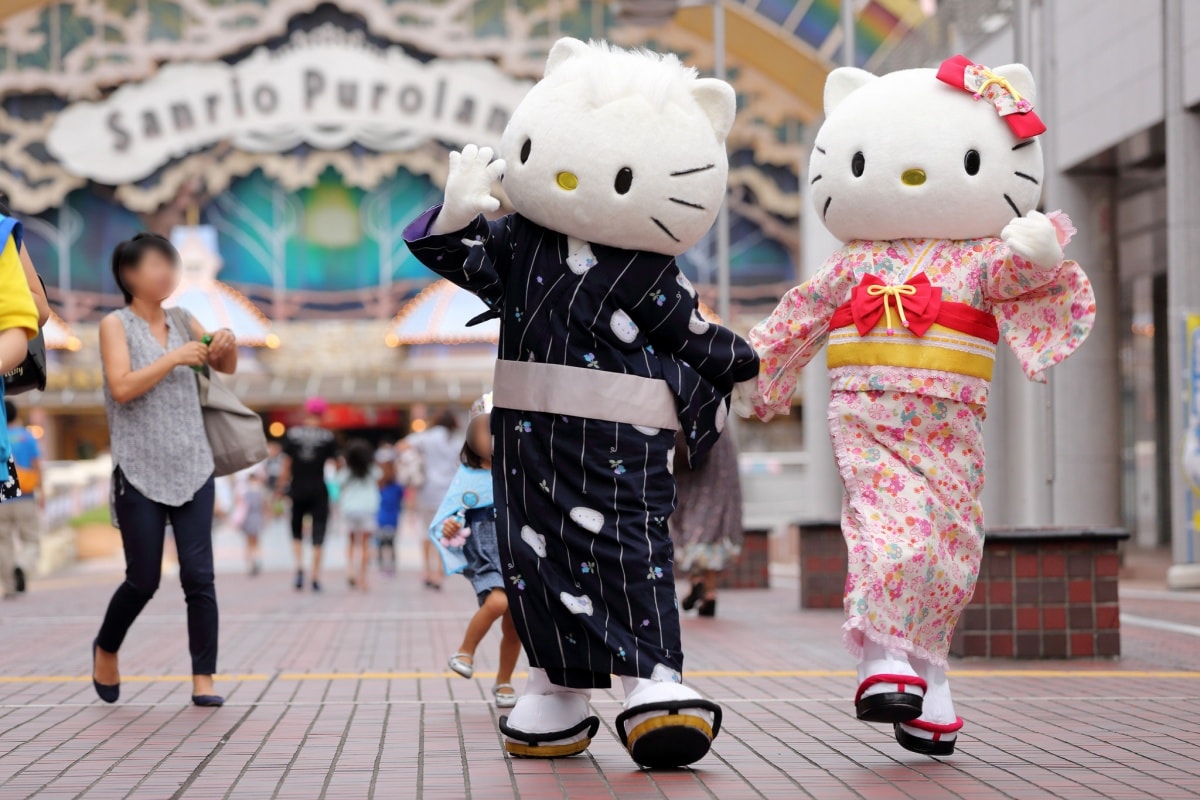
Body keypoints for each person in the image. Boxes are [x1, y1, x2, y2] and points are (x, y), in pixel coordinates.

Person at [92, 232, 238, 707]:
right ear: (128, 274)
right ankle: (106, 647)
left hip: (193, 464)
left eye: (169, 264)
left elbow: (224, 368)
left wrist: (225, 346)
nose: (165, 273)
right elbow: (121, 387)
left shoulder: (184, 318)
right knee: (143, 579)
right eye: (154, 264)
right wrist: (174, 357)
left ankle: (204, 679)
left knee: (200, 576)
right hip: (138, 469)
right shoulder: (115, 325)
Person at [429, 394, 520, 708]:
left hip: (519, 553)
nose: (494, 436)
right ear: (470, 437)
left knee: (516, 624)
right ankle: (465, 651)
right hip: (487, 556)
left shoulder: (518, 475)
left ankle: (504, 681)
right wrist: (451, 527)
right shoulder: (467, 478)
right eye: (486, 429)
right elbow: (451, 516)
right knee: (498, 600)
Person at [671, 427, 744, 618]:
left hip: (694, 466)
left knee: (691, 528)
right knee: (712, 534)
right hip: (720, 474)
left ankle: (696, 582)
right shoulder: (722, 421)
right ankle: (710, 595)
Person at [276, 398, 338, 592]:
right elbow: (335, 465)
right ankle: (316, 575)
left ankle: (299, 568)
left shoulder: (293, 435)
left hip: (297, 489)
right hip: (319, 489)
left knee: (296, 530)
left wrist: (279, 488)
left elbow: (286, 465)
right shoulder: (328, 437)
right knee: (319, 531)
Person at [401, 409, 461, 590]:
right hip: (450, 493)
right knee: (445, 533)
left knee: (426, 531)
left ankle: (427, 570)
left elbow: (402, 445)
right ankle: (440, 572)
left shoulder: (427, 437)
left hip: (427, 491)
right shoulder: (457, 440)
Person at [0, 401, 42, 598]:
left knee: (3, 543)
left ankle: (9, 588)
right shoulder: (27, 437)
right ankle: (22, 565)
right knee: (32, 540)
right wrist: (42, 491)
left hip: (2, 496)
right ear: (17, 414)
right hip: (25, 495)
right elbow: (37, 466)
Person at [337, 439, 380, 591]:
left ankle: (350, 570)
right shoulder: (373, 470)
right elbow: (380, 478)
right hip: (367, 509)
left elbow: (338, 483)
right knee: (365, 545)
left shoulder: (346, 471)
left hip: (349, 509)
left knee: (350, 542)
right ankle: (363, 577)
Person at [234, 466, 267, 576]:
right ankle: (255, 560)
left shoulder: (244, 492)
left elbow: (239, 505)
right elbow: (264, 506)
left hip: (249, 518)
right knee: (256, 541)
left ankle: (250, 563)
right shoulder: (260, 491)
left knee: (249, 542)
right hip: (255, 518)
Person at [375, 449, 403, 576]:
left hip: (382, 517)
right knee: (391, 544)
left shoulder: (380, 484)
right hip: (392, 517)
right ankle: (391, 567)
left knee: (381, 544)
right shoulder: (397, 485)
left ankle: (382, 567)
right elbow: (401, 498)